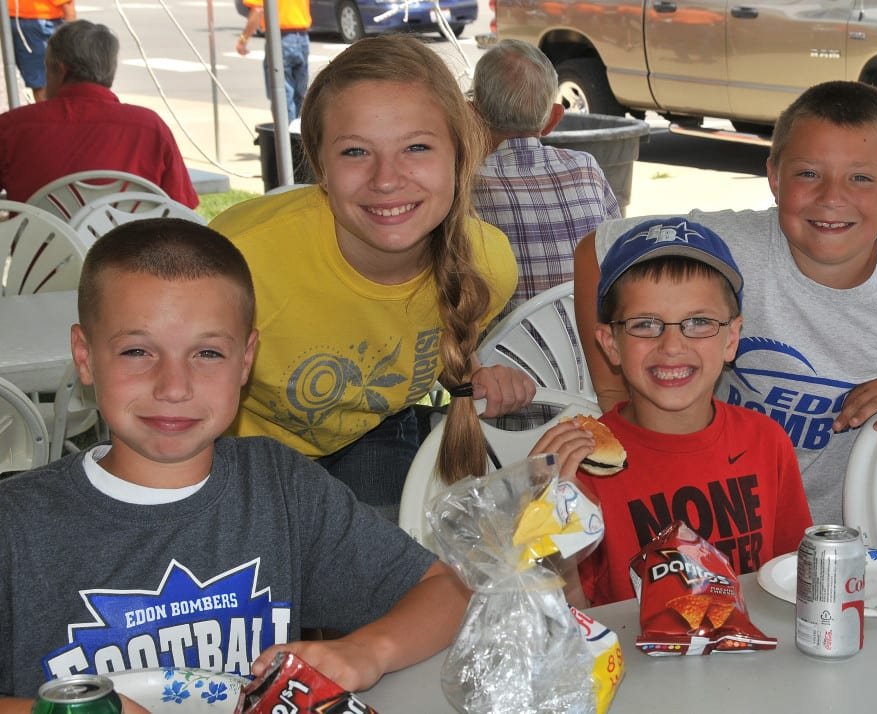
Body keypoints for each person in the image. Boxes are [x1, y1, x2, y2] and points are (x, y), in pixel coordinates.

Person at [0, 218, 470, 708]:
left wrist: (364, 651)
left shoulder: (281, 489)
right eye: (137, 351)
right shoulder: (15, 524)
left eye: (207, 353)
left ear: (245, 361)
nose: (174, 386)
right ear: (85, 356)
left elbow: (449, 593)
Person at [573, 81, 877, 526]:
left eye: (861, 178)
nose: (831, 198)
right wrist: (614, 397)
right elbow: (596, 248)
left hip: (846, 531)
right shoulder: (728, 244)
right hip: (713, 512)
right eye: (808, 174)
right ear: (774, 177)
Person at [210, 35, 535, 523]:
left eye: (417, 147)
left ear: (460, 153)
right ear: (320, 164)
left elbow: (433, 344)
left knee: (389, 566)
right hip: (236, 453)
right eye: (356, 152)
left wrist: (472, 374)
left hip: (373, 436)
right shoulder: (241, 257)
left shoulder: (487, 264)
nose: (386, 179)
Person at [533, 218, 812, 606]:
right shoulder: (581, 467)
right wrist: (547, 518)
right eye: (645, 324)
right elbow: (577, 616)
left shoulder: (766, 441)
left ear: (731, 339)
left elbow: (794, 577)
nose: (672, 345)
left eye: (698, 322)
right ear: (610, 344)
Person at [471, 38, 620, 320]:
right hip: (587, 353)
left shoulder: (466, 183)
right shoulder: (585, 168)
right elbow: (615, 252)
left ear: (471, 117)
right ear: (553, 119)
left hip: (502, 355)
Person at [0, 20, 198, 207]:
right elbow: (181, 207)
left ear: (60, 69)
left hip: (40, 242)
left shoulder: (12, 126)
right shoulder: (150, 127)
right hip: (126, 243)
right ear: (110, 69)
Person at [236, 0, 311, 124]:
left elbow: (258, 10)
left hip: (280, 39)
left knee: (282, 97)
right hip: (302, 37)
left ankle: (289, 139)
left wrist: (243, 39)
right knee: (300, 95)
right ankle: (301, 137)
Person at [8, 0, 75, 102]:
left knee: (45, 83)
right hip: (35, 20)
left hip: (35, 20)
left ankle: (52, 114)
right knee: (46, 83)